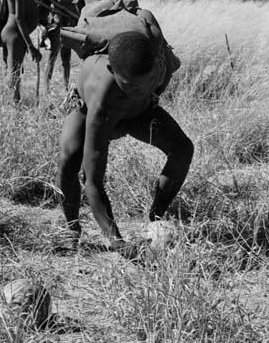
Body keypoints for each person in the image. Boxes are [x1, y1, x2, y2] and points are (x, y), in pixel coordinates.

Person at [57, 28, 193, 261]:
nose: (137, 91)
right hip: (89, 110)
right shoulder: (101, 102)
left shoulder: (158, 65)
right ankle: (71, 227)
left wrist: (142, 96)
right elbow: (93, 182)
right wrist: (117, 242)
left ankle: (156, 219)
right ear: (112, 71)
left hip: (138, 113)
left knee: (182, 149)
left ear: (158, 65)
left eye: (144, 85)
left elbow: (144, 88)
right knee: (70, 160)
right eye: (129, 86)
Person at [35, 0, 82, 93]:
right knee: (53, 56)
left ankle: (66, 87)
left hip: (69, 20)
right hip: (58, 20)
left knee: (66, 56)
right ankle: (46, 90)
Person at [0, 0, 41, 103]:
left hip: (7, 33)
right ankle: (14, 108)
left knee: (11, 69)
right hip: (15, 35)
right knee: (14, 72)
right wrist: (30, 46)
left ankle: (11, 103)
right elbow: (18, 17)